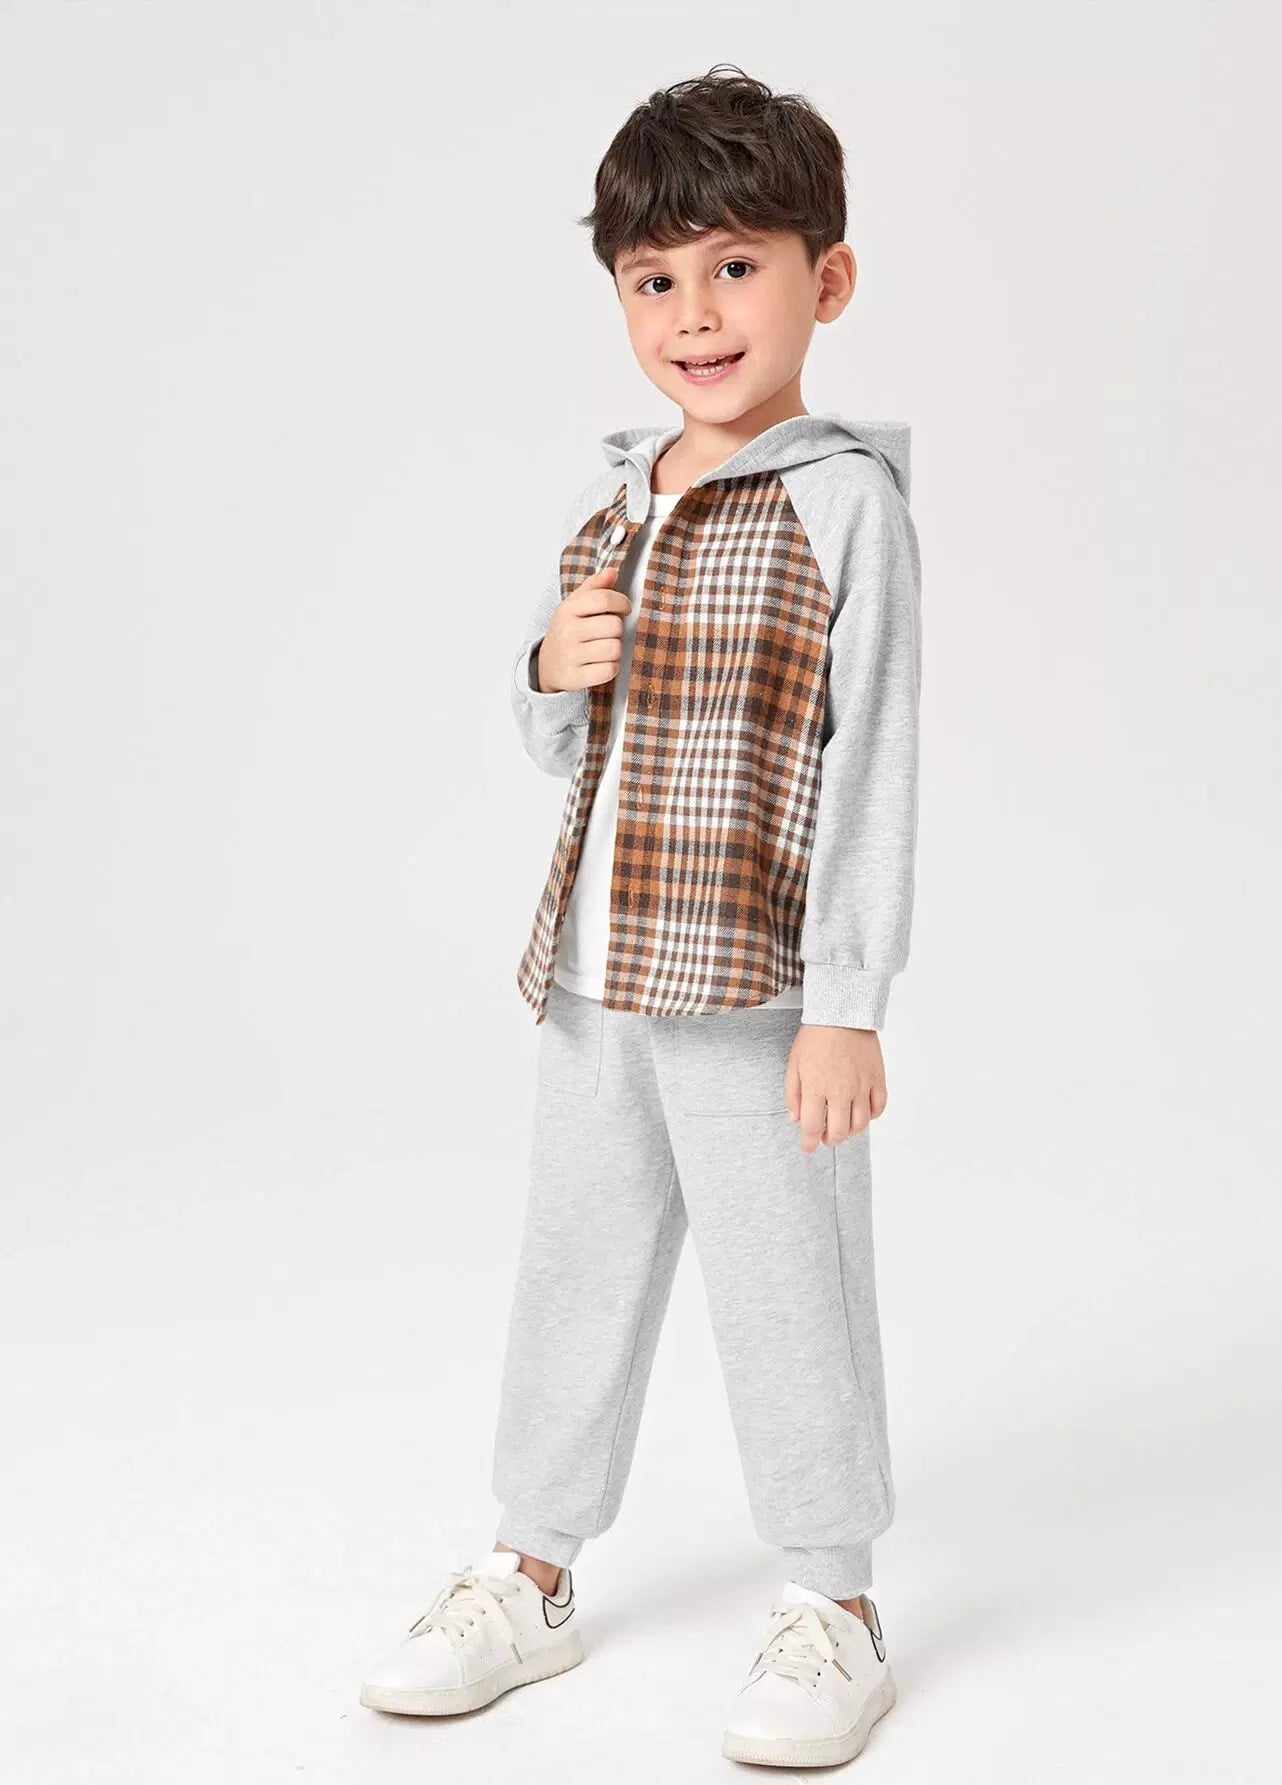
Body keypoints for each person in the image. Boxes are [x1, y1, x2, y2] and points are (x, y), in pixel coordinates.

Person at [360, 63, 921, 1769]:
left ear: (827, 278)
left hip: (754, 991)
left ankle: (835, 1600)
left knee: (789, 1294)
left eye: (737, 266)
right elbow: (562, 742)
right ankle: (531, 1570)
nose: (695, 314)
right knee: (575, 1275)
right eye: (654, 279)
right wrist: (549, 664)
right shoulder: (614, 501)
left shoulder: (842, 506)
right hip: (599, 981)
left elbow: (873, 760)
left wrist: (848, 998)